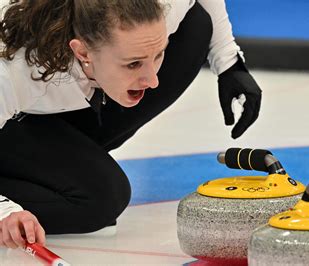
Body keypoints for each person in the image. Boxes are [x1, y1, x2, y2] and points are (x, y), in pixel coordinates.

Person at [0, 0, 262, 249]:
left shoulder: (159, 8)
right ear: (82, 51)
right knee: (100, 200)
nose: (153, 80)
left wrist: (229, 63)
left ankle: (66, 157)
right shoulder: (16, 68)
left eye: (158, 55)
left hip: (64, 88)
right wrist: (5, 211)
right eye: (134, 63)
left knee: (197, 26)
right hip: (11, 114)